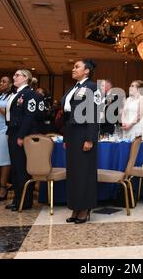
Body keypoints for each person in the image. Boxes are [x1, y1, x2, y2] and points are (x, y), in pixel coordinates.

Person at [61, 60, 99, 224]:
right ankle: (76, 207)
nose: (73, 69)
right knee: (74, 173)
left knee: (84, 172)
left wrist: (90, 138)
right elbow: (66, 115)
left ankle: (85, 208)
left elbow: (94, 113)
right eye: (73, 66)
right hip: (72, 132)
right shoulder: (72, 88)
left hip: (84, 133)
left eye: (77, 67)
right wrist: (65, 138)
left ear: (87, 71)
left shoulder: (93, 87)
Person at [5, 69, 42, 211]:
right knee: (15, 168)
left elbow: (29, 116)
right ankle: (17, 199)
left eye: (17, 75)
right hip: (13, 132)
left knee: (21, 169)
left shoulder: (29, 94)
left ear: (26, 78)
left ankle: (24, 201)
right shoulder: (15, 94)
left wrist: (21, 136)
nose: (14, 77)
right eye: (13, 75)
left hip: (21, 135)